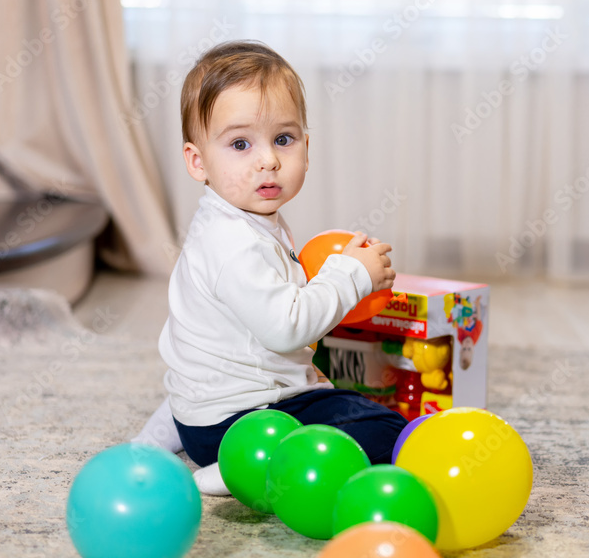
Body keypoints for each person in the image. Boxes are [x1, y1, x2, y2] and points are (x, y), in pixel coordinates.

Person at [133, 40, 407, 495]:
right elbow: (285, 328)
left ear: (306, 144)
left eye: (284, 138)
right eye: (240, 144)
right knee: (388, 430)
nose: (269, 160)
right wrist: (351, 275)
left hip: (203, 409)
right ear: (197, 162)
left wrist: (305, 373)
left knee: (332, 397)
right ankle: (244, 467)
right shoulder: (234, 243)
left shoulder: (236, 221)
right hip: (237, 426)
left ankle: (163, 436)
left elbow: (250, 334)